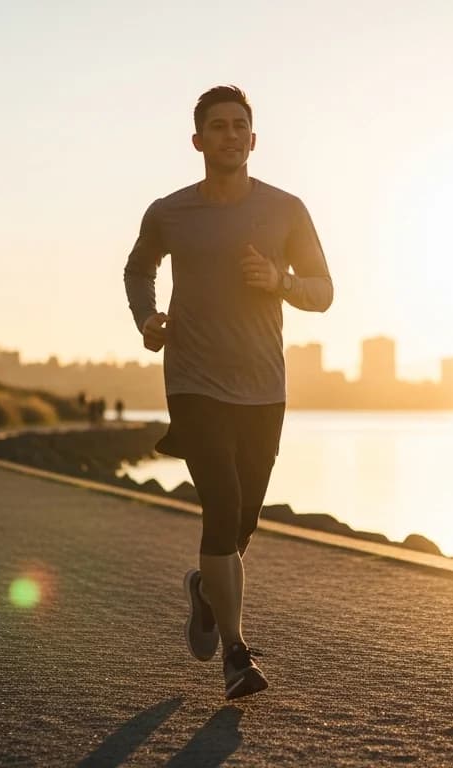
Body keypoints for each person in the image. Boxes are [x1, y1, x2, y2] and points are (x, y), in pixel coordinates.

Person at [123, 85, 333, 699]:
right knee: (220, 504)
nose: (230, 135)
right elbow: (139, 268)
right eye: (218, 126)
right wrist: (147, 318)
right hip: (193, 382)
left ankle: (205, 591)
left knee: (242, 521)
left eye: (241, 125)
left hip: (263, 387)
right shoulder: (169, 212)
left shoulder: (287, 209)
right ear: (198, 140)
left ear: (254, 138)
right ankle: (237, 656)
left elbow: (324, 290)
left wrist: (280, 280)